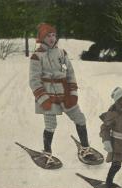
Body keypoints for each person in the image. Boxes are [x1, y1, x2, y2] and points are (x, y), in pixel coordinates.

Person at [29, 23, 97, 167]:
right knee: (50, 125)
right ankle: (47, 153)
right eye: (48, 35)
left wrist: (73, 92)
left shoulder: (62, 53)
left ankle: (85, 148)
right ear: (42, 38)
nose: (52, 38)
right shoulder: (37, 56)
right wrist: (42, 98)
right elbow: (34, 81)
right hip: (48, 96)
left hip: (65, 93)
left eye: (54, 35)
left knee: (80, 118)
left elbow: (70, 73)